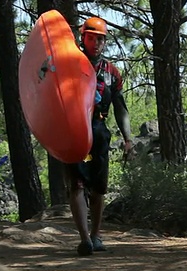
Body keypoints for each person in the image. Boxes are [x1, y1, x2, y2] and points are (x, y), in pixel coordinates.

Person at [70, 16, 132, 256]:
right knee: (76, 183)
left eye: (100, 39)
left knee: (99, 187)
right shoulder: (70, 65)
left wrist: (128, 139)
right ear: (83, 38)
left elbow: (120, 107)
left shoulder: (111, 73)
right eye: (91, 38)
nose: (96, 43)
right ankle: (84, 239)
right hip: (74, 130)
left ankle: (96, 235)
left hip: (99, 131)